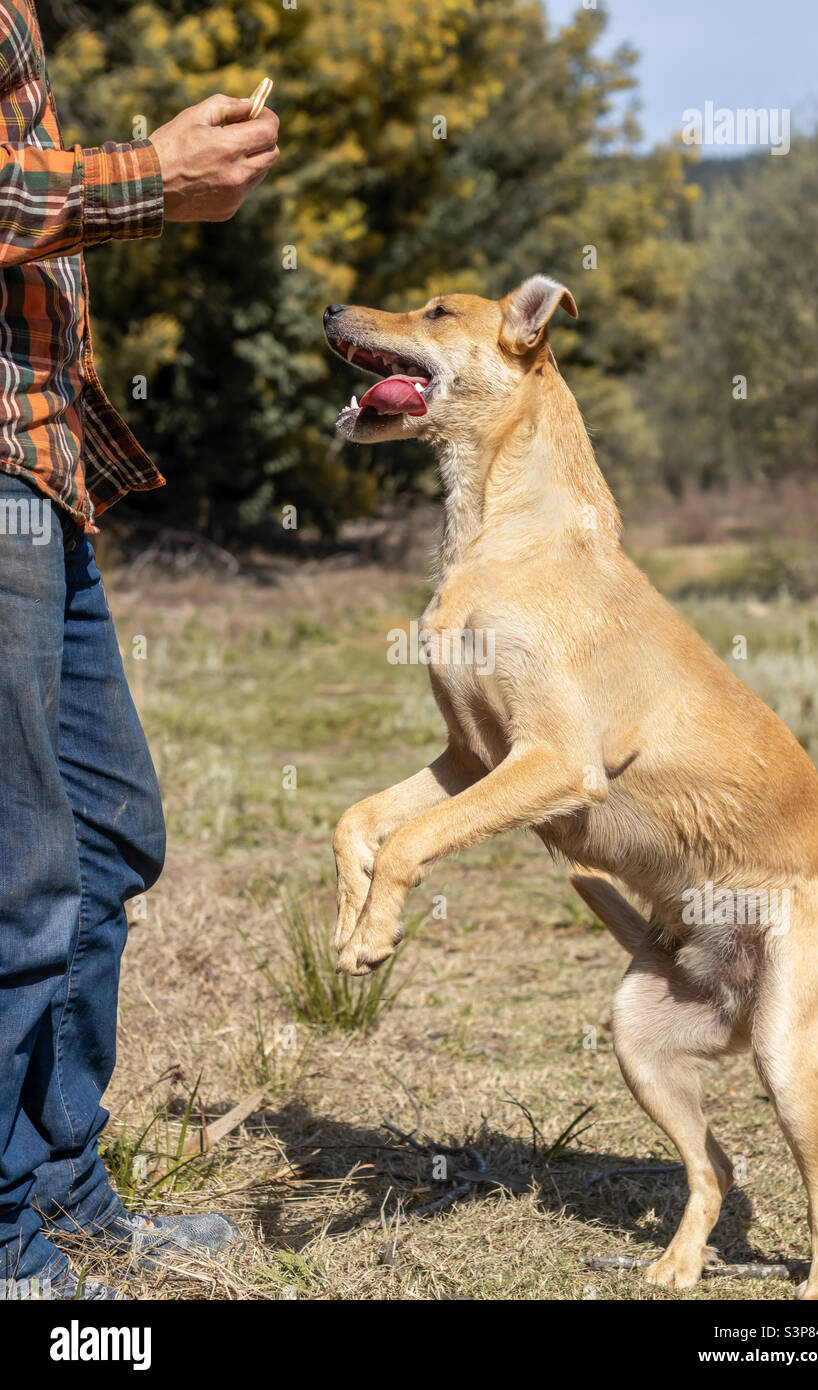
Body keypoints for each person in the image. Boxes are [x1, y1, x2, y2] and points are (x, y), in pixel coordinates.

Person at [0, 0, 279, 1299]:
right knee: (16, 872)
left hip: (42, 474)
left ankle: (61, 1187)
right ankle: (8, 1240)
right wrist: (151, 177)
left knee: (104, 832)